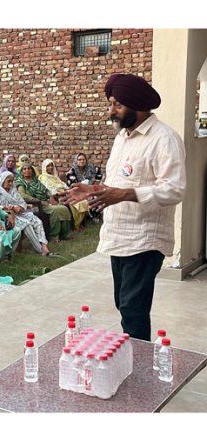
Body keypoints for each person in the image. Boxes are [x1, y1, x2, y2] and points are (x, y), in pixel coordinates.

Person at [63, 73, 186, 341]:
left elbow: (175, 188)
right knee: (124, 304)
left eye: (117, 105)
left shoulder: (164, 138)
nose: (111, 112)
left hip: (145, 239)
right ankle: (134, 361)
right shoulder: (122, 138)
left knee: (133, 309)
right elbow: (115, 184)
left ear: (138, 104)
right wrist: (93, 190)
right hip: (119, 235)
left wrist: (125, 194)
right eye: (111, 104)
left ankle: (139, 372)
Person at [0, 172, 51, 256]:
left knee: (37, 221)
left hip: (19, 213)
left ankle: (44, 245)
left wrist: (20, 207)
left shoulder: (13, 191)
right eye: (8, 181)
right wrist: (12, 207)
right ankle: (40, 249)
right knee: (27, 224)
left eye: (12, 181)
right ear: (3, 180)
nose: (10, 183)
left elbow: (23, 203)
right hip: (7, 216)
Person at [15, 162, 71, 242]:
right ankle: (53, 236)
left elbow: (46, 190)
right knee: (56, 210)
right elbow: (22, 195)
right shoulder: (21, 182)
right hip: (34, 206)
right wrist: (39, 201)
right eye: (24, 169)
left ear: (32, 170)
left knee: (63, 208)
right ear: (22, 171)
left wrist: (51, 197)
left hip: (46, 202)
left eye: (29, 169)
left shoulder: (35, 180)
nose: (27, 171)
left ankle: (64, 234)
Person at [39, 158, 89, 231]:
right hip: (56, 197)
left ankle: (79, 223)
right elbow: (50, 191)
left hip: (65, 194)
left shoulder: (55, 176)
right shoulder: (43, 178)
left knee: (82, 202)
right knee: (73, 204)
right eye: (48, 166)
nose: (50, 167)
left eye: (51, 165)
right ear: (44, 168)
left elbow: (63, 185)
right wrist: (63, 192)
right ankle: (75, 225)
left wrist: (67, 190)